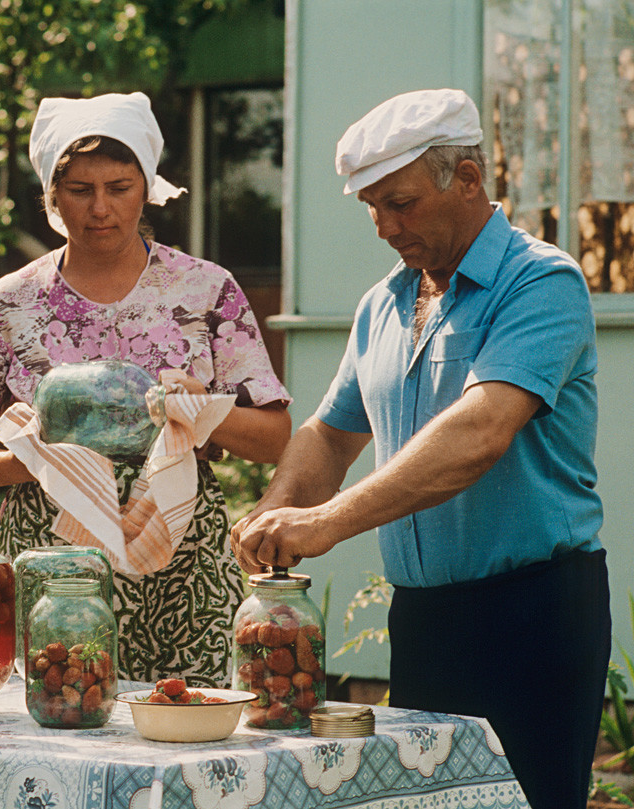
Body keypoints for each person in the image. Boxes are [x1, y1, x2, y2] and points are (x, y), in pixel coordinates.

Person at [230, 89, 609, 809]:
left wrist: (325, 523)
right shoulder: (384, 303)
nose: (383, 225)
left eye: (398, 202)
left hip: (533, 612)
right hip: (425, 618)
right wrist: (277, 508)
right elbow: (330, 432)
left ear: (467, 179)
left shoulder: (541, 282)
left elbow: (480, 431)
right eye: (370, 205)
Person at [0, 92, 292, 687]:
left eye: (120, 187)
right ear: (51, 194)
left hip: (182, 557)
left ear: (147, 187)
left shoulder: (203, 291)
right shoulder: (12, 303)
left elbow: (275, 435)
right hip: (55, 560)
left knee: (189, 725)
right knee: (62, 709)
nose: (100, 208)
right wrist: (45, 463)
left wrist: (200, 411)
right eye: (79, 189)